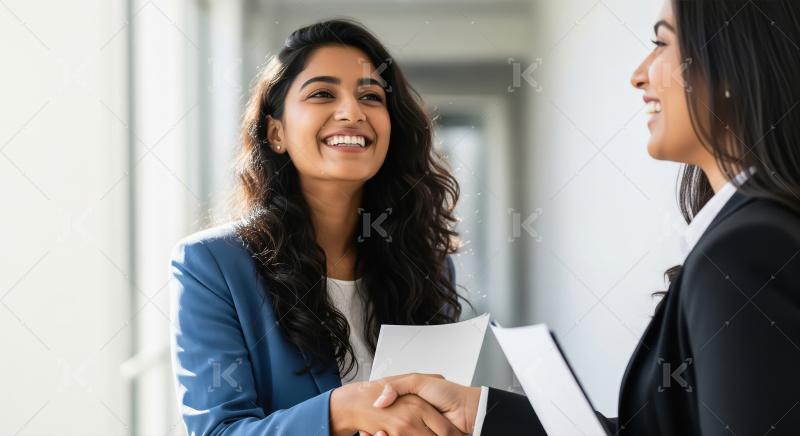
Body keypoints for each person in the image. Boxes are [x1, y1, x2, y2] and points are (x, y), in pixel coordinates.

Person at [371, 0, 800, 434]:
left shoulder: (744, 250)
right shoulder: (752, 235)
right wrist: (479, 414)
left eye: (662, 44)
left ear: (733, 64)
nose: (639, 74)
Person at [169, 19, 466, 436]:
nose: (352, 112)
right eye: (323, 94)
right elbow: (220, 430)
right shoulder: (213, 265)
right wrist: (340, 411)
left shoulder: (427, 264)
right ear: (276, 132)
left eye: (370, 96)